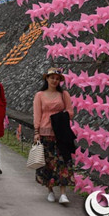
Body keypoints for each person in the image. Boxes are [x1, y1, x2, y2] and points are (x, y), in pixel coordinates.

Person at [33, 67, 75, 204]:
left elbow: (70, 112)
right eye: (52, 78)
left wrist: (59, 117)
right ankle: (50, 190)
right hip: (45, 133)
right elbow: (37, 114)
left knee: (63, 161)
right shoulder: (40, 95)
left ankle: (63, 193)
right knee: (48, 164)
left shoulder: (64, 95)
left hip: (61, 133)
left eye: (57, 79)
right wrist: (36, 132)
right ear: (47, 78)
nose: (55, 81)